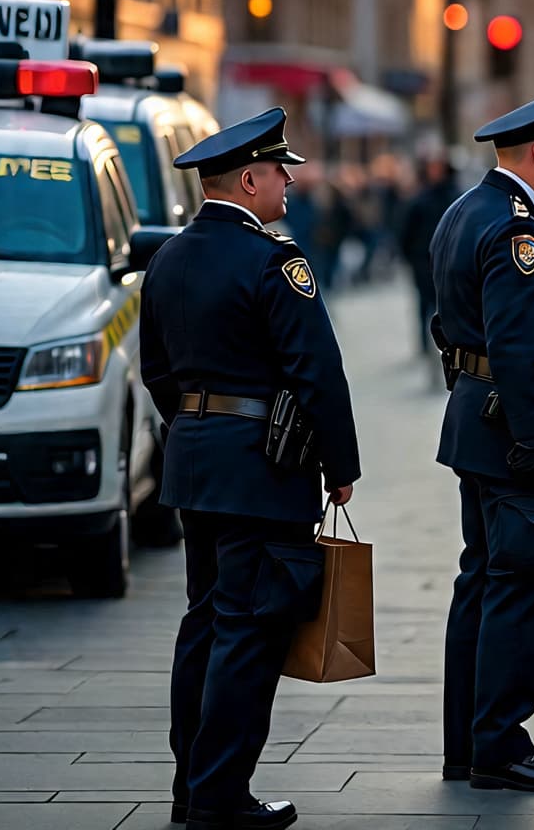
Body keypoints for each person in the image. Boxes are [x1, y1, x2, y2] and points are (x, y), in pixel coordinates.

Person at [139, 108, 362, 830]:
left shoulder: (167, 259)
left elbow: (158, 374)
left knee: (204, 622)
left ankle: (189, 785)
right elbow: (317, 371)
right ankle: (220, 796)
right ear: (247, 179)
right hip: (261, 471)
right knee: (247, 632)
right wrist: (341, 463)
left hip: (196, 464)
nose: (290, 181)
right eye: (278, 171)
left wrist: (196, 430)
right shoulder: (275, 261)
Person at [431, 88, 534, 793]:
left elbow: (446, 323)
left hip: (477, 417)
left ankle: (469, 743)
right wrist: (531, 438)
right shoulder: (516, 230)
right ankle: (500, 743)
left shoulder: (466, 212)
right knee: (519, 589)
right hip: (515, 424)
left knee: (482, 581)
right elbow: (514, 343)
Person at [399, 156, 461, 375]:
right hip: (424, 265)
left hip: (451, 266)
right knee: (425, 309)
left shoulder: (457, 198)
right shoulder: (420, 200)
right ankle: (427, 348)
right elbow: (406, 234)